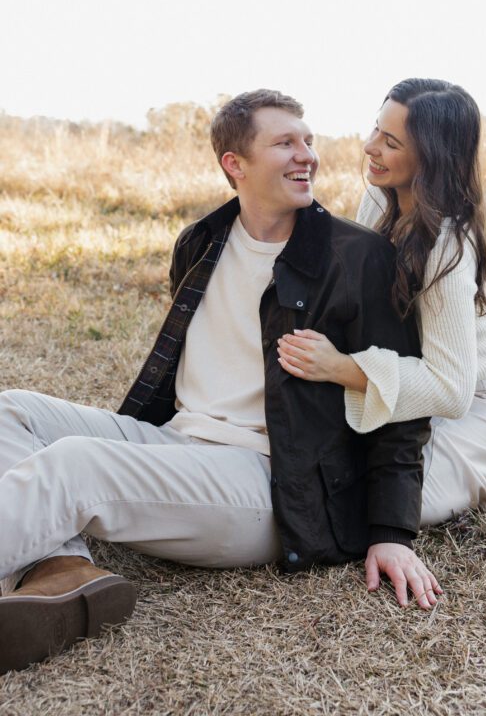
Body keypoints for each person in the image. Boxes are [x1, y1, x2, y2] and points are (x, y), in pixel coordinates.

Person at [0, 89, 438, 676]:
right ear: (236, 164)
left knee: (76, 464)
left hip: (267, 481)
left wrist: (392, 532)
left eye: (307, 140)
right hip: (183, 444)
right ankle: (61, 571)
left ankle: (47, 559)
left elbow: (399, 401)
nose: (306, 154)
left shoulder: (357, 258)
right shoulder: (201, 243)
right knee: (13, 410)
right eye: (284, 143)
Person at [278, 79, 486, 526]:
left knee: (380, 508)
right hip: (421, 386)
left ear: (431, 158)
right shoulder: (379, 195)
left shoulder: (448, 246)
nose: (369, 146)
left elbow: (452, 389)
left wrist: (338, 368)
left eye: (390, 142)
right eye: (375, 129)